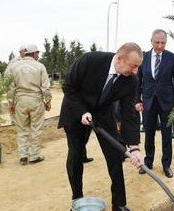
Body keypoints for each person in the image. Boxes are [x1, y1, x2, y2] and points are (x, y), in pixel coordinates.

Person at [58, 42, 143, 211]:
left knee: (115, 153)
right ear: (120, 59)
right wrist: (82, 111)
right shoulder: (90, 60)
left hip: (103, 112)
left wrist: (134, 148)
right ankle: (77, 200)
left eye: (138, 67)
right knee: (76, 154)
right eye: (133, 66)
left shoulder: (131, 81)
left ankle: (119, 204)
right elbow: (68, 86)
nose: (135, 71)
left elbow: (129, 114)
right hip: (76, 108)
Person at [136, 29, 174, 178]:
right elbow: (138, 80)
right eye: (157, 42)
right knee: (148, 134)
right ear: (151, 41)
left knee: (167, 135)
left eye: (163, 43)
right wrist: (137, 100)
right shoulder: (144, 57)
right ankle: (148, 163)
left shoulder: (172, 58)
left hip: (167, 102)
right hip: (148, 102)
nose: (160, 46)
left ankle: (166, 165)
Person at [5, 43, 52, 165]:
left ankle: (23, 156)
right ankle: (34, 155)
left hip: (20, 101)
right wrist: (48, 101)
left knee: (22, 129)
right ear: (34, 53)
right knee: (36, 129)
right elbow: (46, 87)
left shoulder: (13, 66)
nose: (38, 56)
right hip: (36, 100)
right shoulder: (40, 66)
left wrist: (11, 102)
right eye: (38, 53)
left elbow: (10, 87)